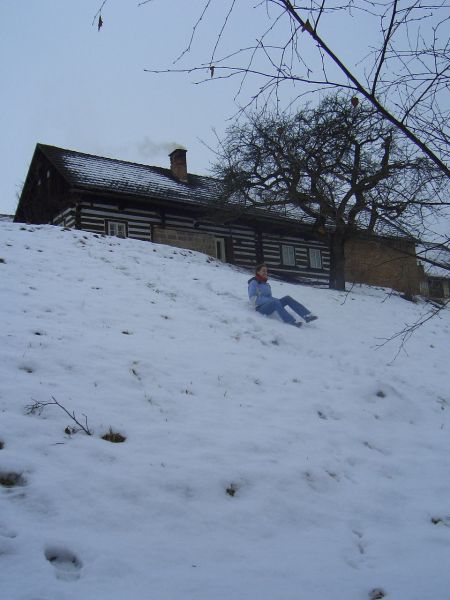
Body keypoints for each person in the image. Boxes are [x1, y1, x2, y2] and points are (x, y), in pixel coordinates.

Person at [248, 263, 318, 327]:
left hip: (270, 304)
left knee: (287, 298)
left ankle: (307, 315)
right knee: (275, 302)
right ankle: (291, 321)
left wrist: (274, 300)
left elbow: (269, 297)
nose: (265, 273)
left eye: (266, 271)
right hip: (260, 308)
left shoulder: (266, 284)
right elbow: (253, 299)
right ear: (258, 272)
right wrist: (272, 301)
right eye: (263, 271)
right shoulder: (254, 283)